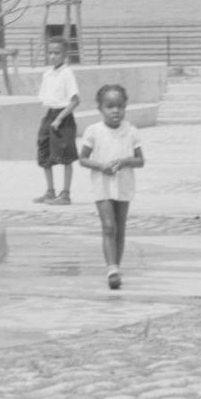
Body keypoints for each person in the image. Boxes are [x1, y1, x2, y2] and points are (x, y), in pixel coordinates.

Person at [80, 84, 147, 290]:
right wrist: (100, 166)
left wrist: (125, 161)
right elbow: (82, 158)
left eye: (119, 106)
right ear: (100, 109)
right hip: (102, 184)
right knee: (108, 226)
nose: (115, 111)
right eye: (109, 106)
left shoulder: (131, 132)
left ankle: (116, 265)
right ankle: (111, 268)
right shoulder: (94, 131)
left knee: (120, 227)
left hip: (123, 184)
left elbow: (140, 160)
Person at [36, 39, 82, 204]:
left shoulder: (67, 73)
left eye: (57, 53)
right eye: (50, 53)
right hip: (50, 115)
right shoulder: (47, 74)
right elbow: (47, 98)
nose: (53, 56)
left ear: (65, 55)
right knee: (44, 152)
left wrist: (60, 118)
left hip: (63, 117)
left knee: (65, 156)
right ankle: (50, 191)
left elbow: (75, 100)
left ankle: (66, 194)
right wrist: (50, 119)